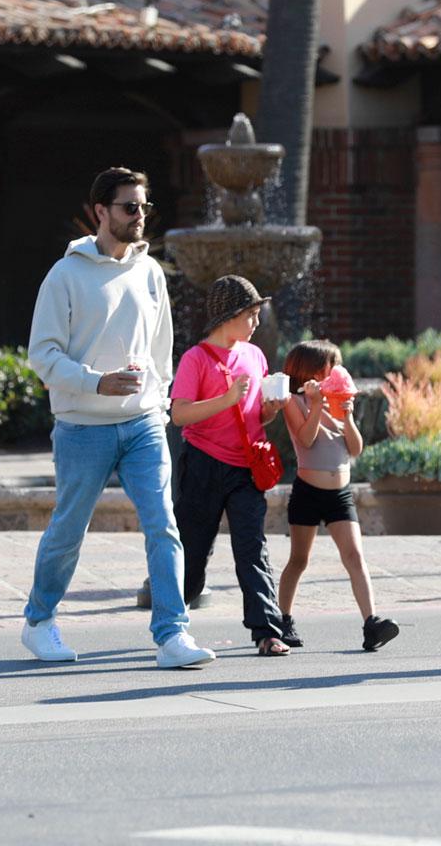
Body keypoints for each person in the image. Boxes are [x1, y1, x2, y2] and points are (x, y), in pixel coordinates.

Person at [21, 167, 215, 669]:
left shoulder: (150, 272)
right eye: (130, 207)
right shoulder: (65, 276)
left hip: (142, 423)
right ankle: (39, 621)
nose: (139, 216)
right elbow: (41, 355)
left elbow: (161, 349)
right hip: (83, 426)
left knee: (163, 524)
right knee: (69, 528)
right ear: (101, 212)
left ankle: (173, 634)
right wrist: (95, 381)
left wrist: (158, 397)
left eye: (144, 207)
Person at [170, 275, 293, 657]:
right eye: (251, 315)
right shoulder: (196, 359)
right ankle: (172, 624)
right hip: (203, 464)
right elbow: (179, 415)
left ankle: (268, 631)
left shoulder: (254, 356)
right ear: (229, 316)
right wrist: (226, 399)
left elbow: (255, 415)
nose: (257, 323)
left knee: (252, 549)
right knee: (193, 548)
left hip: (246, 467)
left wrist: (270, 410)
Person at [276, 340, 400, 652]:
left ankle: (371, 622)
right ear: (312, 371)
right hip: (308, 491)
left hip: (340, 494)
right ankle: (283, 618)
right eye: (329, 367)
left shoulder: (338, 400)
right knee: (299, 560)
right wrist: (316, 405)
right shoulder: (294, 401)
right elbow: (305, 440)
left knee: (355, 556)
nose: (335, 372)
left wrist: (347, 417)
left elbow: (355, 449)